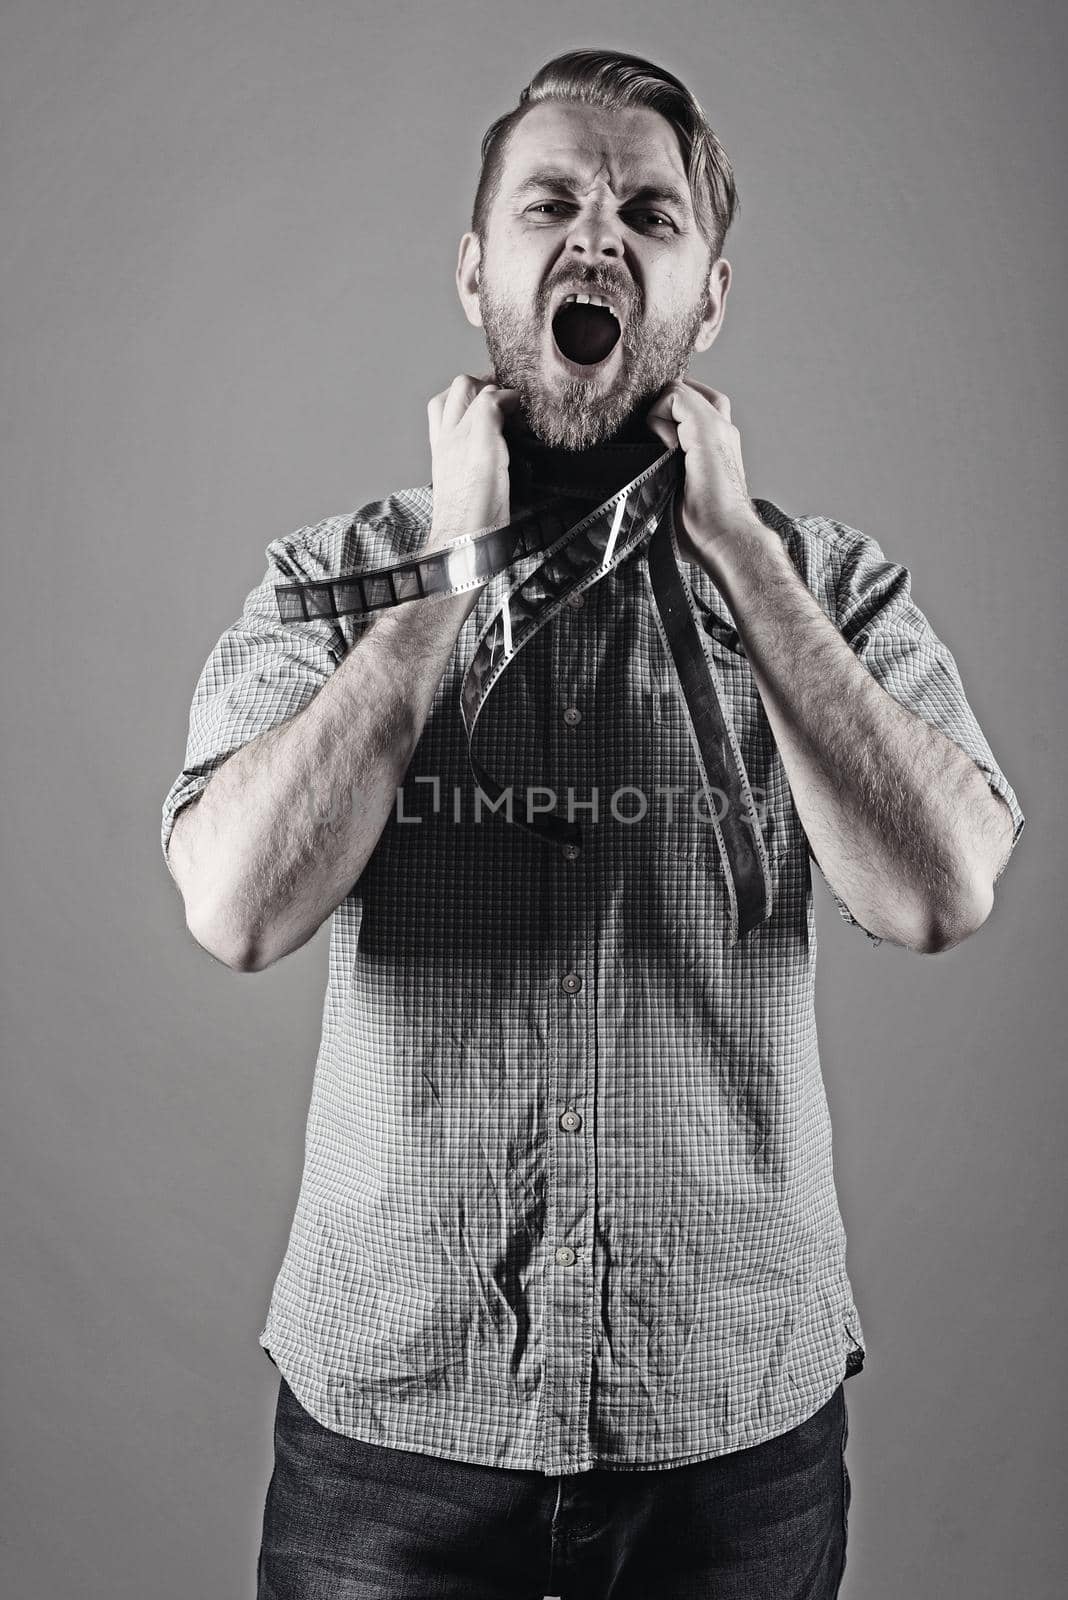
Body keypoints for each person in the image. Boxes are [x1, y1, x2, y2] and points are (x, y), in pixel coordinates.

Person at [162, 47, 1025, 1600]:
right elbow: (235, 908)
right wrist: (449, 575)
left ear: (707, 297)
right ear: (475, 270)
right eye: (549, 200)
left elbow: (942, 889)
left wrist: (746, 565)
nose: (597, 237)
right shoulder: (329, 583)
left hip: (731, 1434)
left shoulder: (830, 593)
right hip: (393, 1435)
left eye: (650, 212)